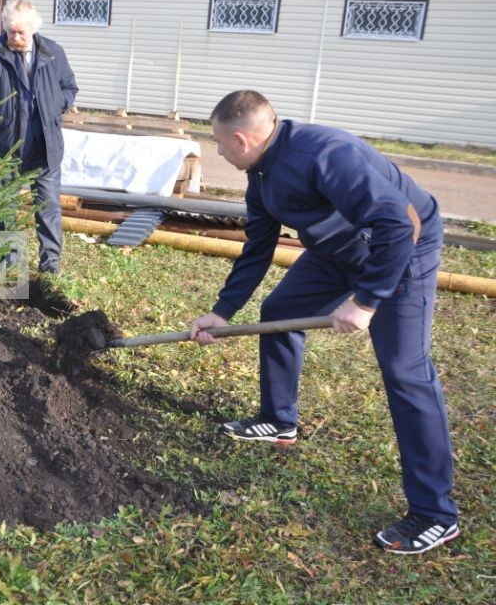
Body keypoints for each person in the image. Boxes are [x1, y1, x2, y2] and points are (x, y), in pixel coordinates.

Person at [190, 90, 458, 555]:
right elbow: (258, 246)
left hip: (404, 247)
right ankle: (278, 421)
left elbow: (401, 224)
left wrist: (368, 301)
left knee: (406, 372)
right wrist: (223, 311)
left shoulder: (324, 154)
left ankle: (436, 514)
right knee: (279, 313)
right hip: (339, 248)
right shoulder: (260, 172)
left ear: (241, 138)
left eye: (217, 143)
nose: (216, 152)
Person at [0, 0, 79, 275]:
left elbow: (70, 87)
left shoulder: (54, 53)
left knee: (48, 207)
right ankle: (9, 261)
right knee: (6, 206)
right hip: (6, 145)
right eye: (10, 31)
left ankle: (50, 262)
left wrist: (54, 106)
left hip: (45, 146)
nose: (14, 37)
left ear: (33, 30)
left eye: (20, 32)